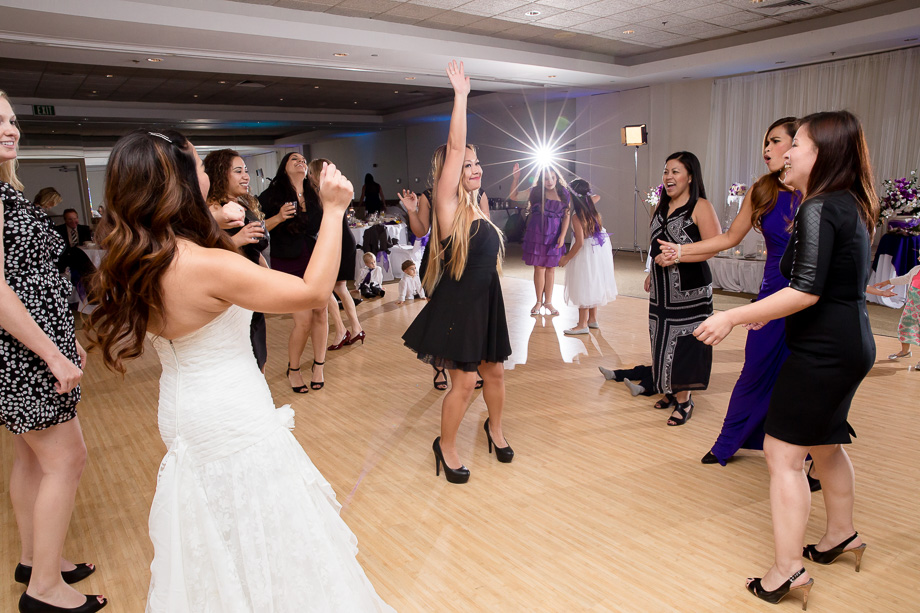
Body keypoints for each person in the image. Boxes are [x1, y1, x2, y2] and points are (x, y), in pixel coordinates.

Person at [86, 129, 394, 612]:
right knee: (265, 530)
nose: (207, 175)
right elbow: (313, 293)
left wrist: (224, 226)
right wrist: (333, 210)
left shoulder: (144, 255)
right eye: (197, 167)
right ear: (180, 185)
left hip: (183, 410)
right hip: (230, 414)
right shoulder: (203, 265)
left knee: (218, 535)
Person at [694, 110, 878, 608]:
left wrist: (734, 317)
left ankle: (787, 569)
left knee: (783, 454)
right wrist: (762, 315)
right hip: (852, 342)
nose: (787, 153)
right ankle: (841, 534)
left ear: (822, 154)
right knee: (826, 444)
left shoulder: (818, 208)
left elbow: (805, 291)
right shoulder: (850, 203)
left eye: (796, 143)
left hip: (822, 349)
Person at [0, 91, 104, 613]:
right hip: (23, 356)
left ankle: (35, 559)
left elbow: (36, 281)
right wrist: (53, 354)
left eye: (12, 119)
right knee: (67, 458)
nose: (10, 128)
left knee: (31, 457)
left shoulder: (6, 190)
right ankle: (43, 590)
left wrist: (66, 341)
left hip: (34, 349)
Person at [657, 117, 801, 464]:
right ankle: (728, 441)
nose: (767, 148)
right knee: (754, 369)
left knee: (803, 378)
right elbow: (729, 238)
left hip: (808, 293)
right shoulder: (763, 188)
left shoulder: (819, 190)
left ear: (800, 146)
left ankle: (809, 453)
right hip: (772, 292)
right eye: (765, 142)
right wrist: (682, 250)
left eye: (776, 141)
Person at [402, 60, 512, 484]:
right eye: (467, 164)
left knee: (496, 373)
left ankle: (495, 430)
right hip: (459, 306)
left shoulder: (478, 207)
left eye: (476, 162)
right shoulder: (446, 204)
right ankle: (445, 447)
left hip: (488, 301)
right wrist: (461, 97)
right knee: (463, 384)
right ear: (449, 172)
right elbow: (453, 146)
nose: (475, 168)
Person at [646, 151, 721, 426]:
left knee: (686, 344)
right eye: (666, 171)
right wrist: (651, 270)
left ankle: (684, 400)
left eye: (675, 171)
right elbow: (655, 244)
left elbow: (713, 246)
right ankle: (669, 388)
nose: (668, 177)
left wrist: (679, 254)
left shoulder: (700, 206)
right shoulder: (661, 207)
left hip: (691, 291)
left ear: (690, 176)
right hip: (661, 292)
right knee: (661, 339)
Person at [400, 186, 489, 391]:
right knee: (441, 318)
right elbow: (420, 231)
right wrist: (412, 211)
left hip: (470, 263)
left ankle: (470, 364)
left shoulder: (478, 193)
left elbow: (486, 230)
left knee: (469, 317)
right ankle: (439, 364)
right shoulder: (430, 194)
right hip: (437, 263)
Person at [258, 152, 327, 393]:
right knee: (303, 320)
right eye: (293, 159)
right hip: (287, 259)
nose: (301, 161)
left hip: (315, 257)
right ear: (284, 167)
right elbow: (257, 227)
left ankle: (319, 365)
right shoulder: (271, 195)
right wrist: (278, 217)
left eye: (303, 159)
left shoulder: (314, 193)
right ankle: (294, 368)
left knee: (320, 311)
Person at [204, 149, 269, 372]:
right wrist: (238, 239)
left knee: (258, 353)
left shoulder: (245, 204)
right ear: (221, 174)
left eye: (246, 171)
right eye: (238, 171)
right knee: (244, 356)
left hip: (253, 287)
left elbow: (255, 252)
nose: (246, 176)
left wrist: (268, 276)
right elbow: (205, 255)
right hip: (232, 290)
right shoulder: (213, 209)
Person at [307, 159, 366, 351]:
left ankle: (343, 330)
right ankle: (354, 329)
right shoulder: (336, 189)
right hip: (344, 238)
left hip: (338, 240)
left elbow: (317, 221)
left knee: (329, 288)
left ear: (313, 174)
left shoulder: (323, 193)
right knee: (340, 287)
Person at [509, 164, 570, 316]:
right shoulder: (535, 192)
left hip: (554, 234)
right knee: (539, 268)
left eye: (552, 178)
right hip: (537, 234)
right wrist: (515, 178)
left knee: (550, 268)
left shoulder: (563, 193)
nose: (549, 181)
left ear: (557, 178)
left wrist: (562, 235)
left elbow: (567, 215)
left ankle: (548, 302)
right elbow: (513, 196)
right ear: (542, 179)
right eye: (546, 178)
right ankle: (538, 301)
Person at [558, 179, 616, 335]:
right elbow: (596, 197)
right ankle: (592, 319)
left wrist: (566, 258)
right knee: (592, 281)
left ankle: (582, 323)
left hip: (584, 252)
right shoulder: (592, 211)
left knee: (583, 284)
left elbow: (579, 243)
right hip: (597, 251)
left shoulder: (577, 217)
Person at [873, 256, 920, 369]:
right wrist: (888, 281)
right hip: (912, 306)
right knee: (905, 327)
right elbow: (905, 278)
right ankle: (905, 351)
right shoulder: (916, 269)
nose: (918, 257)